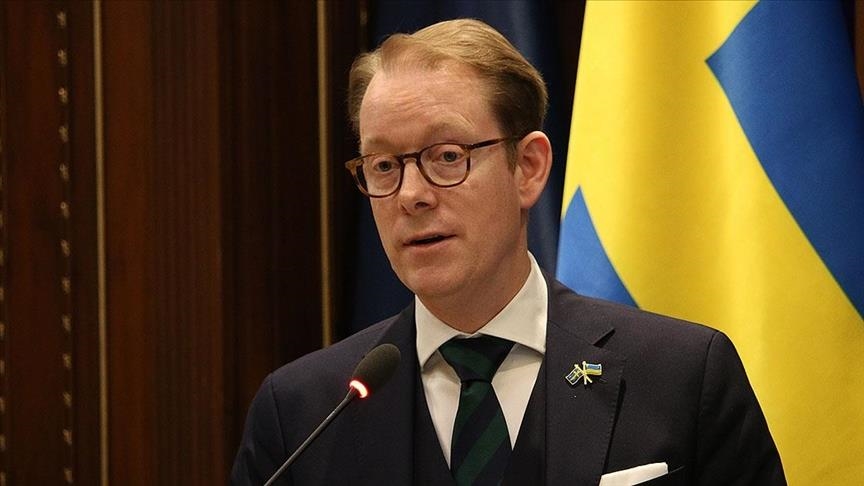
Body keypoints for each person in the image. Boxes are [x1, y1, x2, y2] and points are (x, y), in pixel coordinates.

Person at [231, 19, 785, 485]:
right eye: (383, 166)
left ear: (529, 168)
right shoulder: (300, 414)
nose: (410, 195)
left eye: (447, 156)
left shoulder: (683, 377)